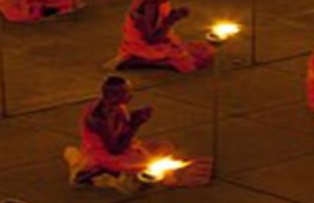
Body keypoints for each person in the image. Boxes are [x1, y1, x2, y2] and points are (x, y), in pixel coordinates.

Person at [63, 76, 209, 189]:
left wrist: (136, 115)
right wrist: (136, 124)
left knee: (163, 147)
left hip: (121, 147)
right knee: (145, 169)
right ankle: (94, 173)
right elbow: (114, 149)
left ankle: (104, 171)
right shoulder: (99, 119)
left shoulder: (113, 105)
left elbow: (121, 126)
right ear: (113, 96)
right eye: (127, 93)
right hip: (107, 154)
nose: (131, 96)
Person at [114, 0, 213, 71]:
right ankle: (141, 61)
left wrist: (175, 13)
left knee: (203, 50)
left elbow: (161, 18)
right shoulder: (143, 13)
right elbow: (152, 40)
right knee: (187, 62)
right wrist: (171, 19)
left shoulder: (158, 1)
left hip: (160, 38)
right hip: (143, 46)